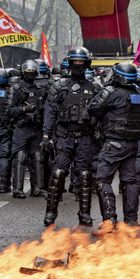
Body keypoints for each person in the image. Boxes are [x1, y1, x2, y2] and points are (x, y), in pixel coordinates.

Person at [41, 47, 98, 227]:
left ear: (86, 64)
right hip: (64, 136)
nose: (78, 65)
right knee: (58, 173)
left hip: (85, 137)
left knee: (84, 175)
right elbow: (50, 112)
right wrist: (45, 134)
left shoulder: (94, 87)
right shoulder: (58, 86)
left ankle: (85, 214)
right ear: (70, 63)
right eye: (75, 62)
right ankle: (50, 213)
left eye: (81, 62)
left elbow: (102, 114)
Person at [88, 62, 140, 232]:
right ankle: (131, 221)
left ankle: (109, 222)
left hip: (114, 143)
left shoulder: (111, 92)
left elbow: (93, 108)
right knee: (130, 182)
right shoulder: (138, 93)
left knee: (102, 180)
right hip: (132, 144)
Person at [9, 60, 46, 199]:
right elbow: (9, 111)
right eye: (27, 71)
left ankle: (37, 188)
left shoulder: (39, 89)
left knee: (37, 157)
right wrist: (24, 109)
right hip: (22, 128)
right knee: (20, 157)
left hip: (36, 128)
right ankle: (18, 189)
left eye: (32, 71)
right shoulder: (16, 89)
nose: (30, 73)